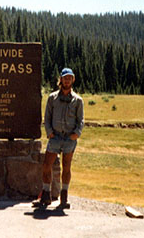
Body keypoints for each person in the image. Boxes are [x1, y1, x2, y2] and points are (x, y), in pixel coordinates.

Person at [37, 67, 84, 209]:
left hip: (69, 138)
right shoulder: (52, 98)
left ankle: (64, 195)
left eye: (70, 78)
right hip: (55, 137)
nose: (67, 80)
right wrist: (49, 132)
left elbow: (80, 120)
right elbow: (47, 117)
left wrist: (77, 133)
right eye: (65, 77)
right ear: (61, 79)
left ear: (73, 80)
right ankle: (46, 192)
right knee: (47, 165)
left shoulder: (78, 100)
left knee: (67, 167)